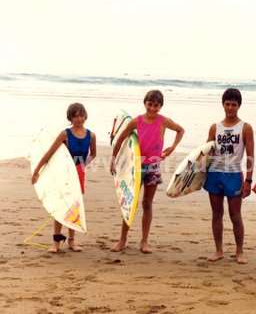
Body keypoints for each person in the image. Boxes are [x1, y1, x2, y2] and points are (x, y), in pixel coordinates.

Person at [110, 89, 184, 253]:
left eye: (156, 106)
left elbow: (180, 130)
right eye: (150, 104)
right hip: (135, 167)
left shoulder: (163, 121)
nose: (152, 108)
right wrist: (113, 159)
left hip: (153, 166)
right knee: (130, 203)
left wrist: (173, 147)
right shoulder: (136, 121)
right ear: (145, 103)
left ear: (160, 106)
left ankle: (144, 241)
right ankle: (122, 240)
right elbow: (121, 139)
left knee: (147, 204)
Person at [31, 102, 97, 253]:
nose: (79, 119)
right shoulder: (65, 134)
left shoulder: (91, 135)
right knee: (61, 204)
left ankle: (72, 241)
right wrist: (36, 171)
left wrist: (82, 165)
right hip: (64, 173)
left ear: (85, 116)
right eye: (75, 116)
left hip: (79, 173)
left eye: (81, 115)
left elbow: (93, 154)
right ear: (70, 118)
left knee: (75, 205)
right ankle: (56, 241)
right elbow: (49, 153)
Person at [203, 88, 254, 264]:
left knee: (235, 215)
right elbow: (206, 153)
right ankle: (218, 250)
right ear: (223, 104)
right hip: (215, 174)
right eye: (227, 104)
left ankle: (239, 251)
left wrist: (248, 180)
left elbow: (250, 156)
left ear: (239, 106)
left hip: (233, 174)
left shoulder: (245, 128)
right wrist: (199, 173)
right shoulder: (214, 127)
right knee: (216, 214)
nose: (230, 107)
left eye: (234, 104)